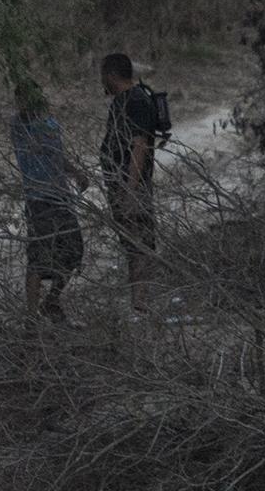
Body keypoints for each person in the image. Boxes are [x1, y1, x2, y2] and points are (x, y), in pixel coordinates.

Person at [10, 80, 90, 322]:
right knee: (38, 257)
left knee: (73, 251)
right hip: (38, 199)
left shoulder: (49, 124)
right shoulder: (21, 125)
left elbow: (56, 155)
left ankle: (51, 301)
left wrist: (75, 172)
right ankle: (32, 316)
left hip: (61, 197)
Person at [99, 53, 161, 316]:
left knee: (141, 240)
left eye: (104, 76)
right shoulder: (121, 102)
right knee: (131, 241)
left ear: (112, 76)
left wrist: (130, 189)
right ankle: (138, 299)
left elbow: (140, 145)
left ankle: (142, 300)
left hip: (131, 186)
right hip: (120, 184)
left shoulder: (136, 101)